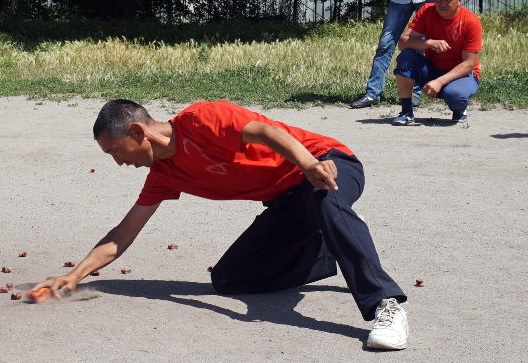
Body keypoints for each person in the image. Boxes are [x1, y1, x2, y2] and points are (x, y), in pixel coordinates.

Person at [35, 99, 411, 350]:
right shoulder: (164, 174)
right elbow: (123, 233)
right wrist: (75, 276)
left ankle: (385, 304)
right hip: (287, 203)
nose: (118, 162)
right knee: (231, 278)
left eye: (115, 151)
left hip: (326, 164)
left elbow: (268, 133)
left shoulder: (201, 120)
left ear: (137, 132)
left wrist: (309, 165)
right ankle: (337, 251)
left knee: (326, 199)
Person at [391, 0, 481, 125]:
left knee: (455, 95)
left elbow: (468, 64)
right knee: (406, 55)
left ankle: (459, 109)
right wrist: (428, 43)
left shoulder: (471, 21)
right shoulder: (426, 11)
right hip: (433, 69)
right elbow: (402, 43)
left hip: (462, 75)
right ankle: (406, 112)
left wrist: (439, 82)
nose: (442, 3)